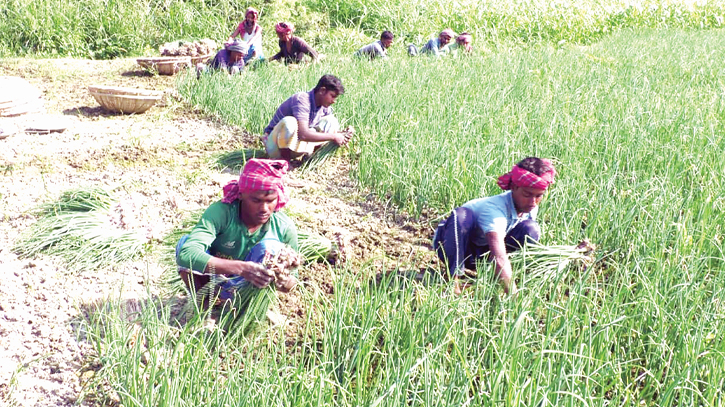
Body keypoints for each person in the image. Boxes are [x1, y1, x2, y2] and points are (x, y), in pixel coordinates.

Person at [176, 159, 299, 300]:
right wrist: (242, 269)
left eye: (270, 201)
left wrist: (283, 278)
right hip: (212, 283)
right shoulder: (222, 213)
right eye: (256, 201)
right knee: (184, 243)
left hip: (246, 293)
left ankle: (244, 311)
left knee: (271, 249)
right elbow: (186, 255)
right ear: (241, 195)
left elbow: (293, 281)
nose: (264, 209)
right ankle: (205, 307)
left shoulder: (284, 227)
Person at [432, 157, 557, 295]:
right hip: (456, 247)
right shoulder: (495, 210)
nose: (533, 202)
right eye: (527, 194)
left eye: (539, 196)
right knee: (461, 216)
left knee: (530, 229)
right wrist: (513, 296)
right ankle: (453, 281)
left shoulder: (530, 206)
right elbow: (500, 257)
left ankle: (496, 278)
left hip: (483, 253)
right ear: (514, 187)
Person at [263, 74, 353, 160]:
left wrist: (343, 134)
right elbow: (303, 134)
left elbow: (329, 131)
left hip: (294, 145)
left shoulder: (324, 107)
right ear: (322, 91)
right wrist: (334, 136)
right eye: (332, 96)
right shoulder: (302, 100)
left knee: (331, 121)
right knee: (290, 122)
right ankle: (284, 161)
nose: (334, 101)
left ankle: (311, 158)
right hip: (274, 145)